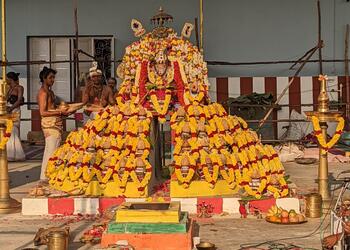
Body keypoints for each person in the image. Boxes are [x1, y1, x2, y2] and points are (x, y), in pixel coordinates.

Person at [37, 66, 72, 182]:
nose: (53, 80)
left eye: (54, 78)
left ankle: (46, 176)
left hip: (55, 123)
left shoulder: (50, 92)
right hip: (50, 125)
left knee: (52, 150)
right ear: (44, 78)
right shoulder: (43, 93)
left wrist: (64, 112)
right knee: (51, 151)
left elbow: (53, 108)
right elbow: (42, 112)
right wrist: (60, 111)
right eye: (50, 77)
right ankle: (45, 177)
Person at [6, 72, 26, 161]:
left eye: (7, 78)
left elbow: (19, 100)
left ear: (10, 79)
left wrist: (11, 108)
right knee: (8, 130)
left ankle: (17, 154)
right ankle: (10, 153)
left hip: (15, 110)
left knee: (14, 129)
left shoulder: (20, 88)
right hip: (8, 110)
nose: (6, 80)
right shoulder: (9, 89)